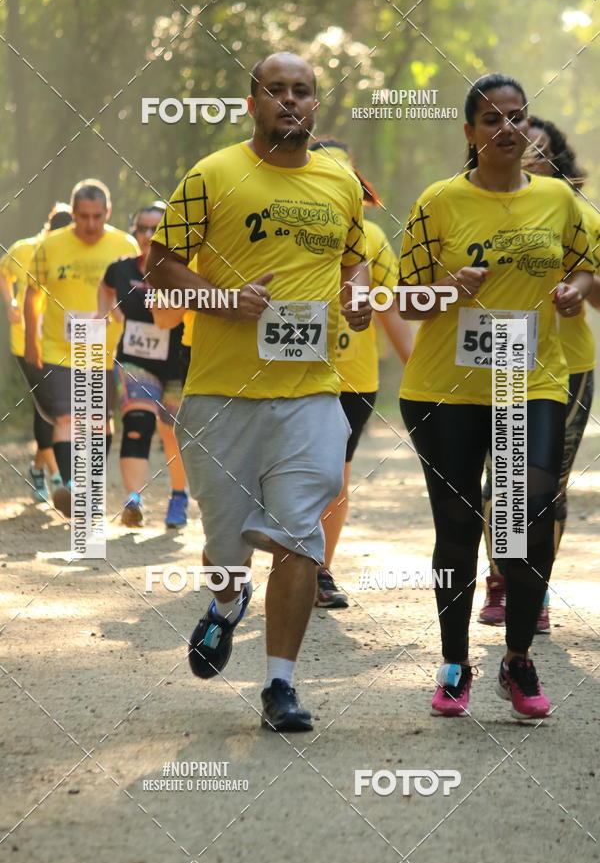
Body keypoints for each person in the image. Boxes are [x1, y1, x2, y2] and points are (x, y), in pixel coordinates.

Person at [147, 51, 371, 731]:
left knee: (303, 535)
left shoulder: (340, 183)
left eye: (302, 91)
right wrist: (223, 300)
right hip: (221, 392)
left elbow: (355, 260)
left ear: (316, 104)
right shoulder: (214, 174)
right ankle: (223, 605)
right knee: (226, 546)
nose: (290, 101)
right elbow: (158, 266)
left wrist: (357, 297)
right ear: (253, 103)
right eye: (276, 90)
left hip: (310, 390)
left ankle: (280, 686)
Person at [398, 74, 593, 719]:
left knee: (525, 518)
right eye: (491, 119)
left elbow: (590, 260)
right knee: (456, 531)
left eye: (516, 116)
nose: (506, 128)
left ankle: (518, 660)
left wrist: (577, 286)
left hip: (529, 382)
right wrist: (450, 285)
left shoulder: (559, 202)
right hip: (444, 390)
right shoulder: (440, 202)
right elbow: (405, 299)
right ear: (470, 133)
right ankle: (455, 661)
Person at [479, 116, 600, 633]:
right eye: (517, 144)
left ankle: (534, 588)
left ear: (558, 163)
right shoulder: (468, 204)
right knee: (499, 480)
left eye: (539, 149)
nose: (526, 153)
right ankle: (502, 578)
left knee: (545, 486)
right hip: (493, 358)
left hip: (566, 364)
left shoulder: (578, 213)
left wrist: (578, 291)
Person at [309, 138, 413, 607]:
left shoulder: (371, 239)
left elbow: (390, 310)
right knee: (280, 474)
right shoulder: (284, 223)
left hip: (353, 379)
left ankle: (320, 574)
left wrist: (423, 371)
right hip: (287, 375)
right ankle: (273, 565)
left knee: (335, 477)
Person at [24, 179, 139, 517]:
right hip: (60, 346)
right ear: (72, 213)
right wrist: (31, 339)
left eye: (97, 216)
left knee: (99, 420)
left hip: (108, 348)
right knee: (67, 415)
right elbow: (33, 293)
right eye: (83, 216)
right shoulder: (51, 245)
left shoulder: (124, 244)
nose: (90, 224)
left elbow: (137, 289)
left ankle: (89, 484)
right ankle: (71, 487)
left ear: (108, 213)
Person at [96, 202, 188, 528]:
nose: (148, 235)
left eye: (156, 229)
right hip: (135, 359)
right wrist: (107, 313)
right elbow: (106, 287)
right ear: (134, 231)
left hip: (179, 362)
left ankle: (179, 497)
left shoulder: (185, 268)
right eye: (142, 228)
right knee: (137, 422)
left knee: (171, 431)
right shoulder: (121, 269)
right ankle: (132, 499)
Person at [0, 204, 72, 502]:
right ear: (48, 230)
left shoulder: (76, 254)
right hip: (26, 342)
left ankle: (39, 469)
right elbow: (4, 272)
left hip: (62, 344)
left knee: (57, 409)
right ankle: (56, 476)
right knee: (49, 407)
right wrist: (10, 304)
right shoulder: (24, 248)